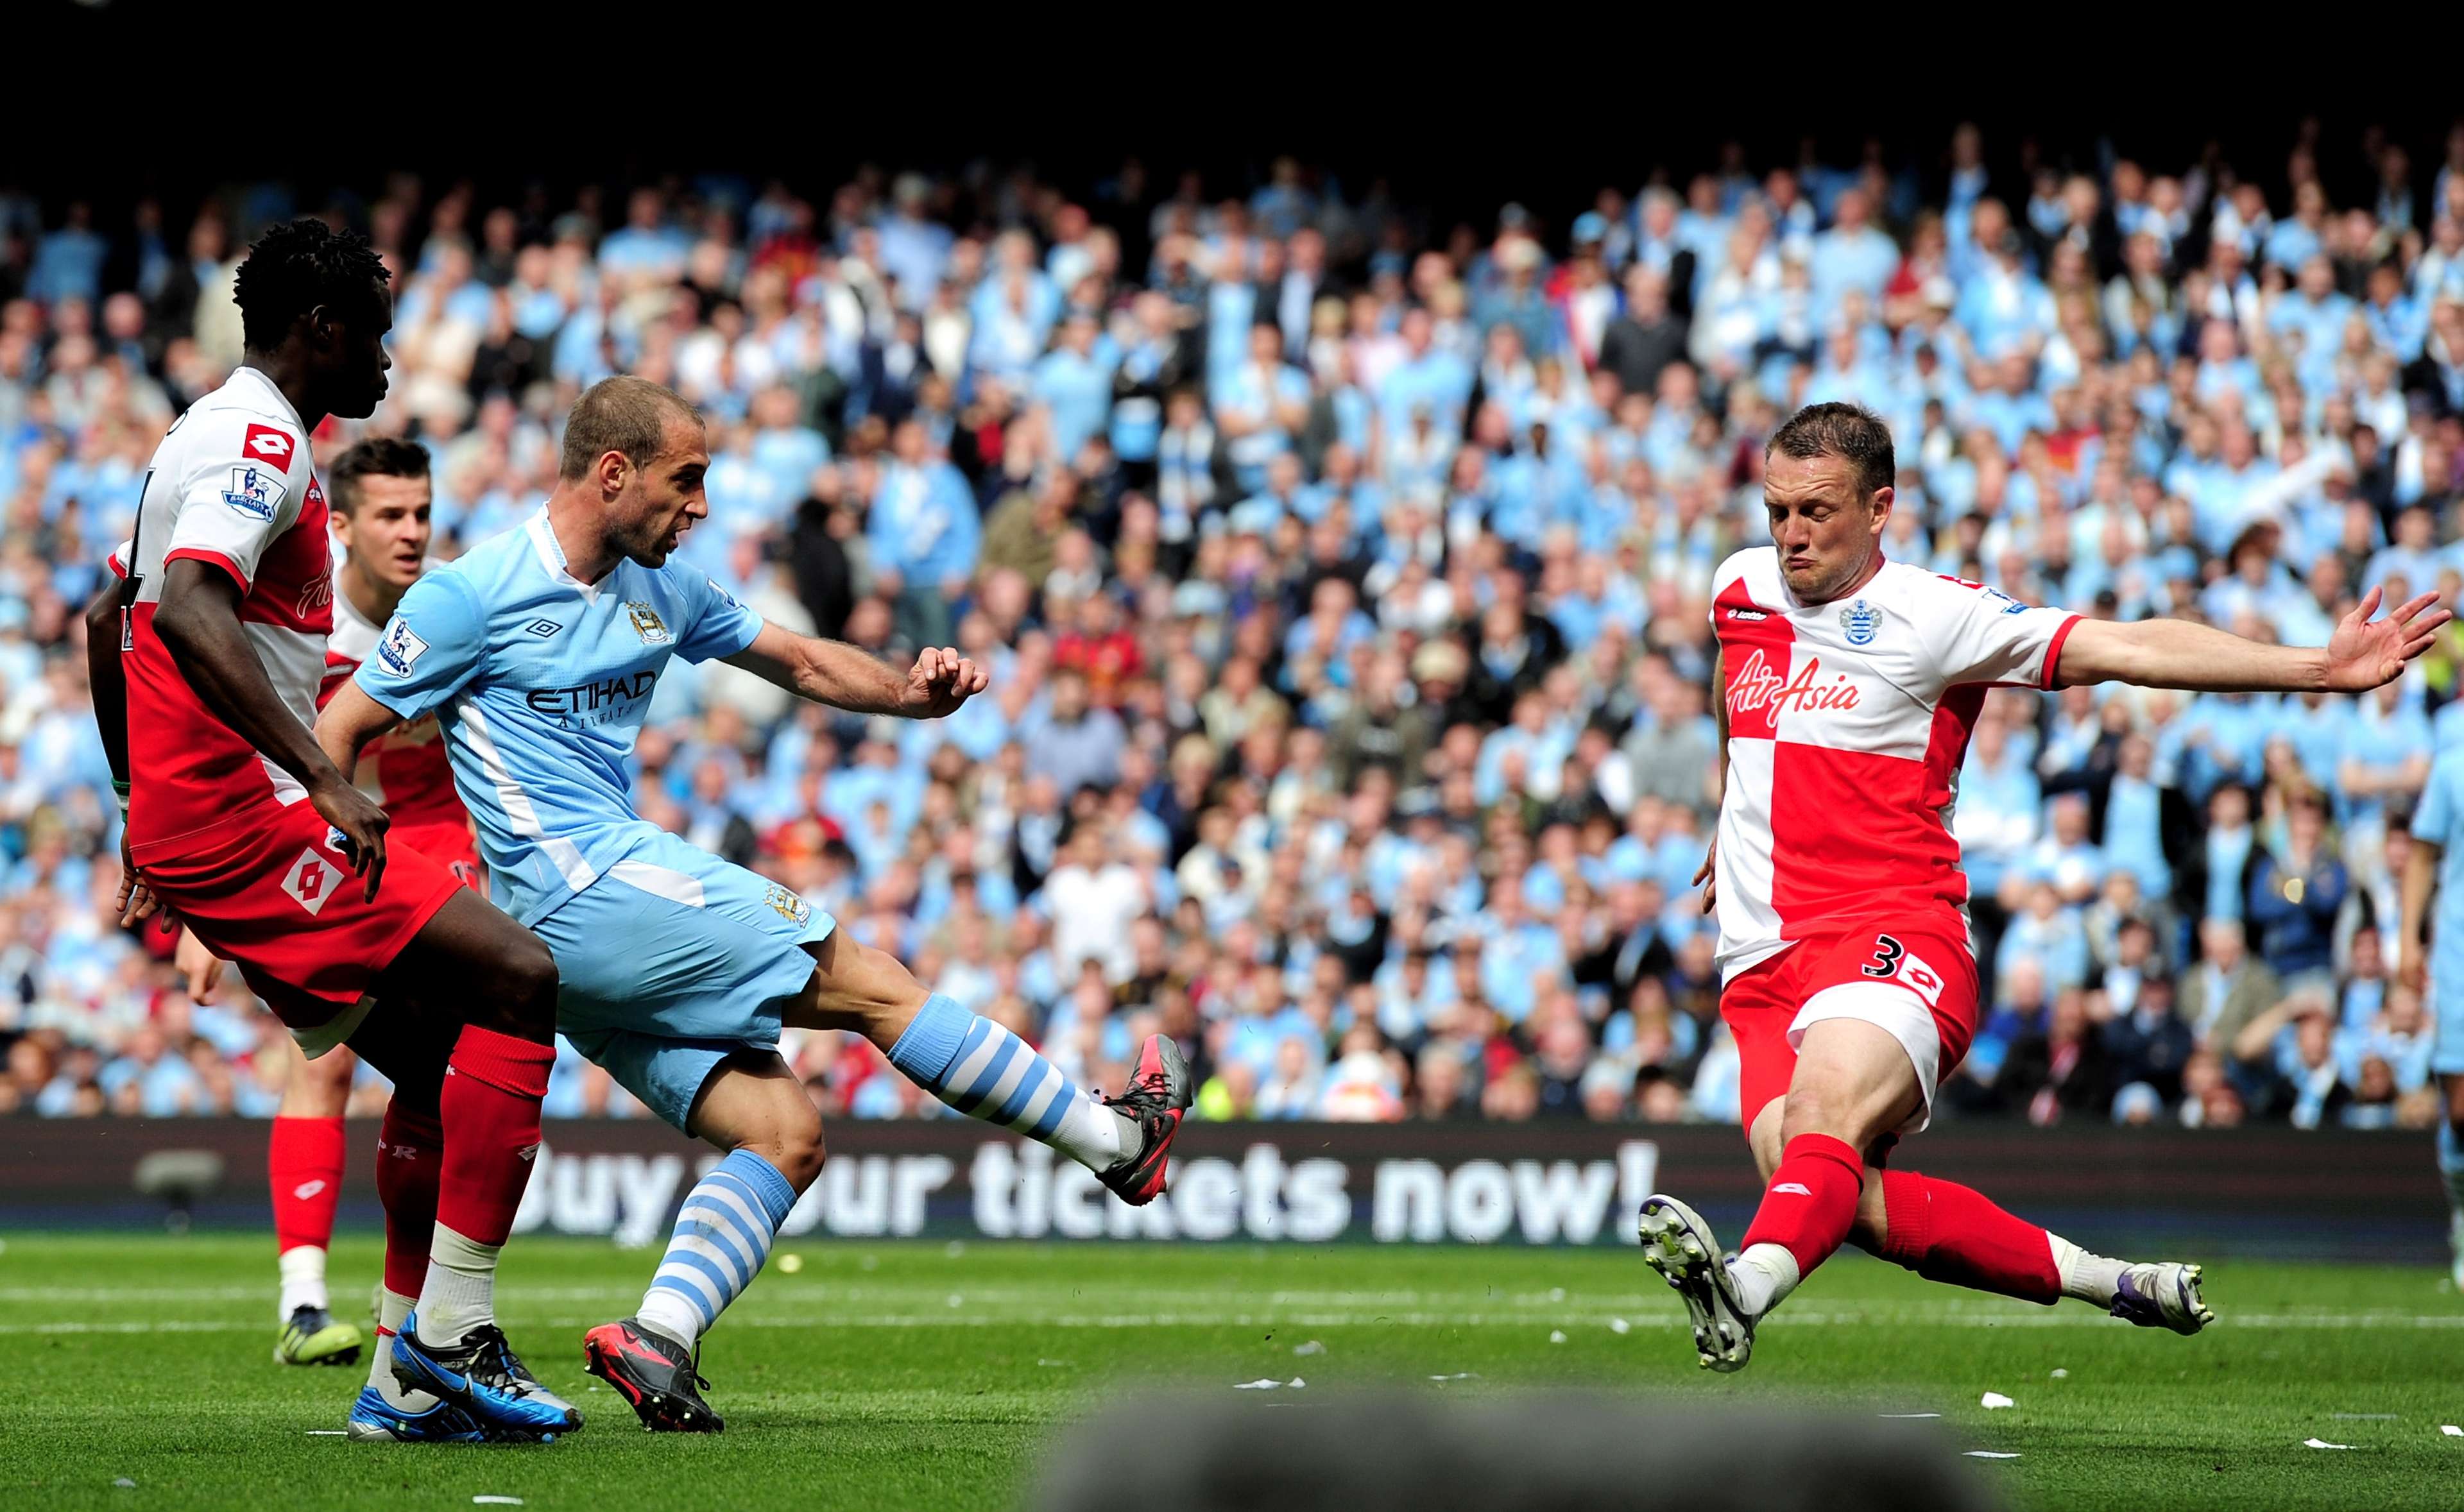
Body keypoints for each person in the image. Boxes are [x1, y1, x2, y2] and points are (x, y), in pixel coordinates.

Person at [314, 376, 1193, 1433]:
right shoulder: (474, 593)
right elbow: (341, 728)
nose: (700, 507)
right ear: (613, 473)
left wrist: (910, 696)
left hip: (585, 947)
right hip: (580, 891)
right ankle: (1113, 1141)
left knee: (785, 1131)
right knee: (868, 980)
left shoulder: (662, 588)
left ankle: (660, 1337)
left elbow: (801, 657)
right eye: (686, 482)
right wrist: (321, 878)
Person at [1637, 402, 2446, 1372]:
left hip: (1893, 933)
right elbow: (1738, 687)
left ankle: (1743, 1287)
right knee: (1833, 1193)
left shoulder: (1938, 617)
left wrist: (2317, 669)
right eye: (1776, 510)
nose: (1791, 534)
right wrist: (1732, 804)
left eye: (1817, 511)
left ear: (1880, 507)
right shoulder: (1738, 585)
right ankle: (2115, 1282)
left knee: (1821, 1125)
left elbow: (2128, 648)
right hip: (1763, 955)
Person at [87, 220, 576, 1442]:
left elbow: (112, 616)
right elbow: (189, 601)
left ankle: (408, 1377)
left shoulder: (198, 431)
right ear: (322, 331)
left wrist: (138, 816)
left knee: (432, 1060)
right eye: (377, 333)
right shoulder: (262, 444)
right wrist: (321, 772)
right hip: (251, 822)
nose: (391, 359)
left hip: (204, 819)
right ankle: (453, 1341)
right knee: (521, 977)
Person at [142, 437, 481, 1373]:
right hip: (329, 838)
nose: (413, 534)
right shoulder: (298, 617)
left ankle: (417, 1308)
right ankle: (303, 1302)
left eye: (423, 513)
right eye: (391, 515)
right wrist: (209, 912)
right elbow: (232, 752)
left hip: (440, 842)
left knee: (443, 1067)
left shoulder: (458, 605)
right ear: (341, 526)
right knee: (326, 1060)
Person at [2399, 749, 2464, 1290]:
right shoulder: (2452, 767)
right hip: (2459, 950)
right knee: (2461, 1109)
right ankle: (2462, 1213)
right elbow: (2421, 857)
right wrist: (2407, 942)